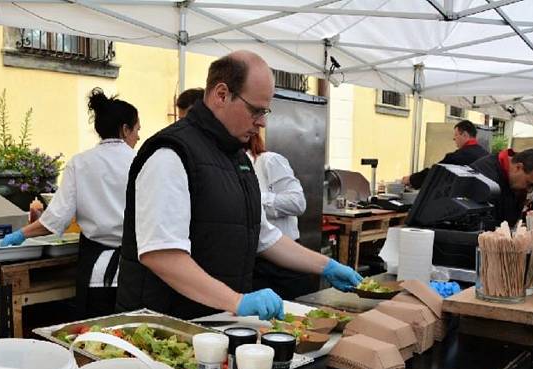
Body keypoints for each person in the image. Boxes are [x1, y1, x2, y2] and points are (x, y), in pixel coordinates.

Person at [116, 50, 362, 321]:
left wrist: (326, 265)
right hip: (167, 325)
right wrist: (238, 301)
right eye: (256, 110)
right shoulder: (171, 154)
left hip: (215, 322)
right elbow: (162, 255)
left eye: (265, 111)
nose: (263, 121)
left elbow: (262, 235)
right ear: (222, 95)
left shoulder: (236, 157)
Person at [0, 88, 140, 318]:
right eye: (136, 130)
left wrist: (21, 234)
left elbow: (56, 219)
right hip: (136, 273)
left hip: (96, 275)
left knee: (96, 340)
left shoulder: (80, 163)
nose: (138, 137)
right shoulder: (141, 162)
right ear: (125, 129)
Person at [247, 132, 313, 300]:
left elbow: (297, 203)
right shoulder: (228, 166)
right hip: (254, 262)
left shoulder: (269, 160)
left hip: (285, 261)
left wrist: (253, 197)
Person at [468, 147, 533, 226]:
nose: (529, 190)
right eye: (529, 184)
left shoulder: (511, 182)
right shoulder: (485, 179)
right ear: (518, 167)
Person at [402, 120, 488, 189]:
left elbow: (434, 174)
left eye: (456, 135)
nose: (454, 138)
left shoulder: (457, 157)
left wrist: (411, 179)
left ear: (465, 135)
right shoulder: (486, 155)